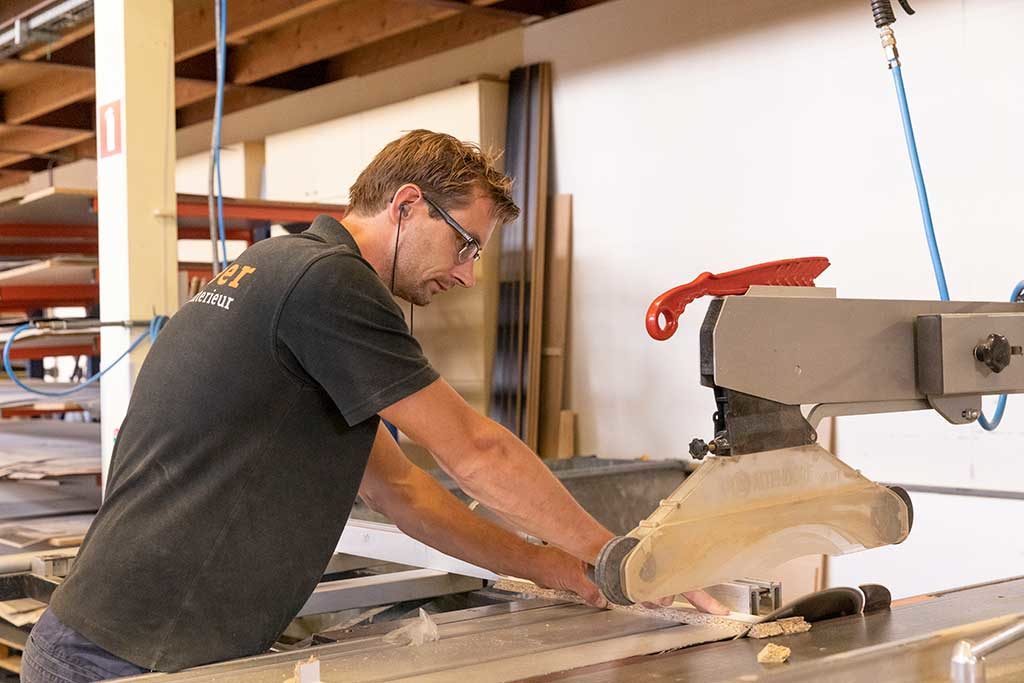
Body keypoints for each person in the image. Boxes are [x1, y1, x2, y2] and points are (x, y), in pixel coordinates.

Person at [22, 130, 726, 682]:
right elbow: (474, 452)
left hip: (107, 644)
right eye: (465, 243)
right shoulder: (331, 282)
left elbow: (403, 488)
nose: (469, 273)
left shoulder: (283, 267)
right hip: (123, 662)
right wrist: (619, 558)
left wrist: (550, 565)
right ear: (408, 205)